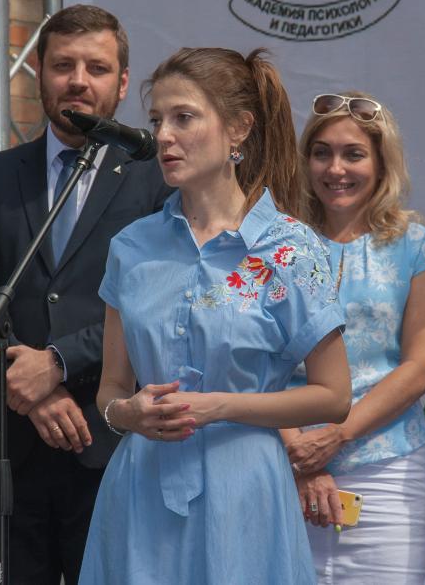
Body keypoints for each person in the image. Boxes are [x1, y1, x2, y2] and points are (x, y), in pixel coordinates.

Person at [78, 48, 353, 585]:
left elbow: (334, 396)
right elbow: (110, 388)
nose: (163, 136)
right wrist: (126, 414)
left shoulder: (290, 248)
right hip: (141, 489)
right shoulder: (131, 247)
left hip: (245, 491)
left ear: (238, 129)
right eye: (157, 120)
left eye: (183, 117)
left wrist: (220, 406)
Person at [0, 4, 172, 585]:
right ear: (38, 73)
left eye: (97, 68)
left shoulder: (157, 181)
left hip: (110, 440)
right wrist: (27, 389)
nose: (78, 80)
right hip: (5, 445)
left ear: (122, 83)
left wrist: (59, 363)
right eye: (63, 65)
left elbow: (157, 302)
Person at [283, 92, 425, 583]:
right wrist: (300, 456)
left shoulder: (416, 246)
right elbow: (254, 361)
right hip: (283, 467)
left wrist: (337, 435)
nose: (336, 169)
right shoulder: (276, 244)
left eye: (353, 154)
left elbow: (421, 368)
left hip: (387, 473)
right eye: (322, 153)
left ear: (381, 163)